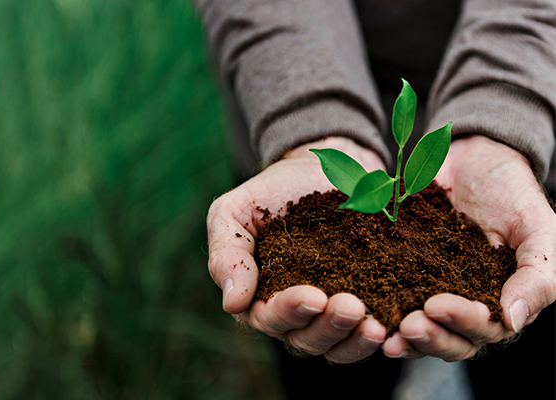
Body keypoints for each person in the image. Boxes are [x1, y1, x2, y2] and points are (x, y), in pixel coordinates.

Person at [195, 0, 556, 398]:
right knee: (329, 367)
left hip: (532, 113)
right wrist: (311, 119)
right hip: (285, 103)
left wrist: (504, 118)